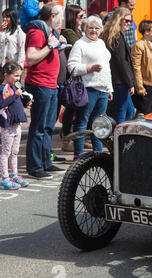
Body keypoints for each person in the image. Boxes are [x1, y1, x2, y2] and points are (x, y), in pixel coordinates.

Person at [24, 2, 66, 180]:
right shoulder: (37, 32)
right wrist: (50, 47)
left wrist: (59, 45)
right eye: (60, 15)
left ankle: (45, 162)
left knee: (48, 127)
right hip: (39, 85)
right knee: (39, 127)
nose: (62, 19)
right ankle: (35, 167)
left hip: (50, 84)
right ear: (52, 17)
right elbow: (31, 58)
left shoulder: (51, 32)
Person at [67, 15, 113, 160]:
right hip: (88, 89)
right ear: (85, 28)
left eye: (97, 28)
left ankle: (98, 154)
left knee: (99, 124)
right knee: (82, 122)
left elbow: (107, 68)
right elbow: (72, 67)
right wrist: (89, 68)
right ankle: (79, 155)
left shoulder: (101, 43)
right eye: (90, 27)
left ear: (101, 30)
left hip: (102, 90)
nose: (94, 30)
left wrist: (109, 88)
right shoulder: (80, 44)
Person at [102, 7, 135, 125]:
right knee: (122, 113)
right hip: (120, 81)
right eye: (125, 20)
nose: (128, 23)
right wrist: (130, 83)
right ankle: (117, 139)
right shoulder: (117, 37)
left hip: (117, 80)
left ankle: (116, 136)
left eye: (130, 21)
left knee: (129, 112)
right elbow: (122, 62)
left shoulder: (113, 35)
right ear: (118, 19)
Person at [0, 61, 29, 190]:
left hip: (17, 125)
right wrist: (14, 96)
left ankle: (15, 175)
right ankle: (5, 178)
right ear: (6, 75)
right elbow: (2, 103)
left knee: (15, 152)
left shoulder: (14, 87)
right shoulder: (3, 88)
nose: (18, 79)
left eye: (19, 76)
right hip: (7, 125)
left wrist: (25, 103)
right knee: (5, 152)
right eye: (15, 76)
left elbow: (17, 101)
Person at [60, 4, 84, 153]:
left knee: (77, 107)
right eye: (80, 16)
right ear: (72, 17)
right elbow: (81, 46)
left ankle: (76, 137)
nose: (82, 19)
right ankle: (67, 137)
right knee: (72, 106)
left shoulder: (77, 31)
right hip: (72, 75)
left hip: (79, 74)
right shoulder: (68, 32)